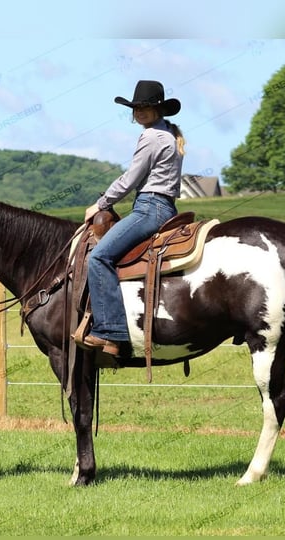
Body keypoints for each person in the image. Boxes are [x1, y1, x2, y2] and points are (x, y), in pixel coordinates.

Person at [78, 80, 185, 357]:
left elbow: (130, 180)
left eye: (145, 106)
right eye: (136, 107)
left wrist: (100, 204)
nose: (139, 111)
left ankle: (110, 332)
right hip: (165, 207)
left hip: (149, 208)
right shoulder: (168, 134)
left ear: (158, 109)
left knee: (99, 257)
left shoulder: (151, 137)